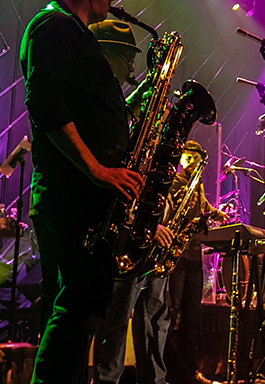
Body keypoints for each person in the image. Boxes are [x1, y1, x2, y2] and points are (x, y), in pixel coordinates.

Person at [20, 0, 142, 384]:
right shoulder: (54, 26)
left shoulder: (70, 32)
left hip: (79, 198)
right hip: (72, 197)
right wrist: (97, 169)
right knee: (76, 310)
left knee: (80, 313)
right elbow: (46, 104)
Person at [89, 20, 173, 384]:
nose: (133, 67)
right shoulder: (93, 100)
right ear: (105, 53)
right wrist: (145, 223)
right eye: (127, 56)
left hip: (145, 226)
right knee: (114, 322)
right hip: (121, 229)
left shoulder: (119, 103)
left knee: (154, 317)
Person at [166, 140, 225, 384]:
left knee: (192, 316)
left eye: (195, 160)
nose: (191, 163)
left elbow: (201, 207)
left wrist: (214, 212)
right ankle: (169, 370)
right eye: (187, 158)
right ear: (181, 159)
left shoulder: (197, 185)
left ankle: (190, 372)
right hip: (176, 256)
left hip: (193, 255)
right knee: (171, 314)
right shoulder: (174, 182)